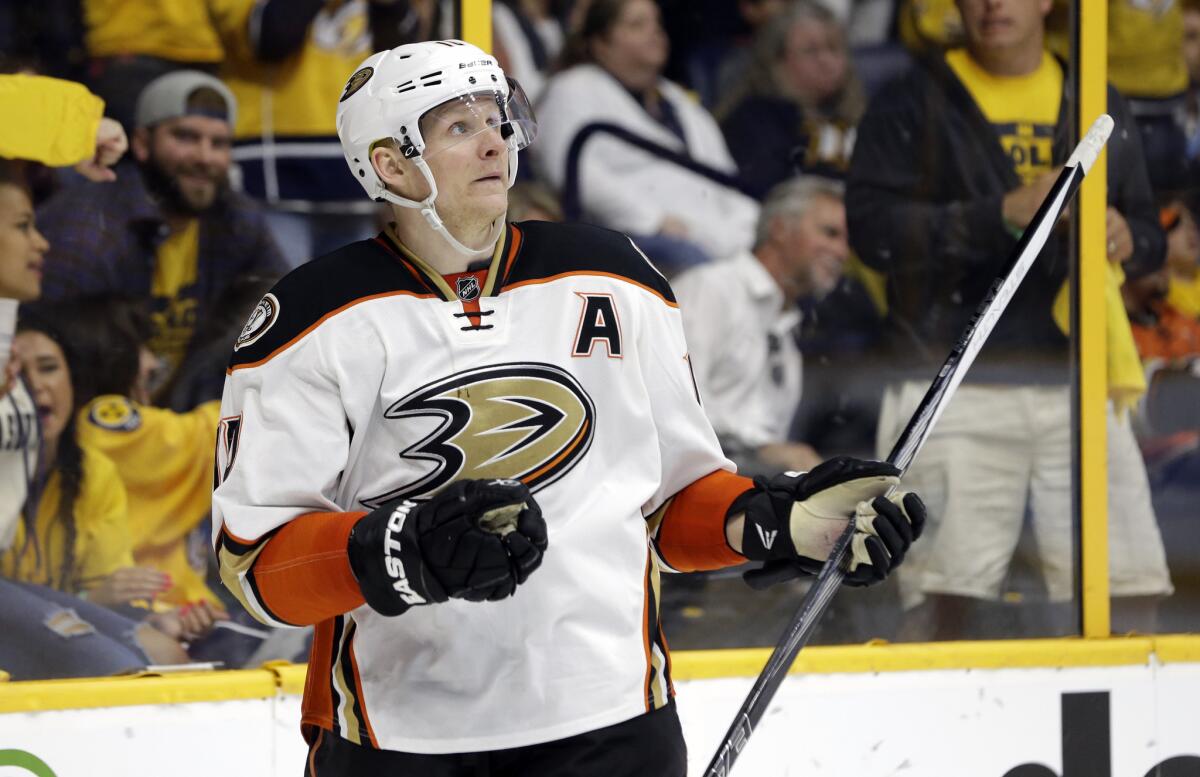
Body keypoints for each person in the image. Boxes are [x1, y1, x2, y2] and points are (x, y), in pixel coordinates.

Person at [213, 39, 925, 774]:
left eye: (497, 118)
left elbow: (671, 504)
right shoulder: (309, 316)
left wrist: (783, 521)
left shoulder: (615, 276)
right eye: (458, 127)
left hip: (613, 725)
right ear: (390, 164)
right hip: (405, 734)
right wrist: (404, 552)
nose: (494, 140)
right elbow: (257, 564)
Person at [848, 0, 1173, 639]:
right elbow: (874, 233)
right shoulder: (912, 97)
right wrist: (999, 212)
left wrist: (1125, 236)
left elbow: (1148, 232)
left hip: (1076, 378)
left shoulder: (1095, 93)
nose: (993, 5)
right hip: (955, 382)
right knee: (942, 595)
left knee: (1127, 588)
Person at [34, 70, 287, 409]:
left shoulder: (235, 217)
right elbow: (44, 344)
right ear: (141, 143)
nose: (204, 157)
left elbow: (287, 299)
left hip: (181, 419)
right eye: (185, 137)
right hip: (95, 420)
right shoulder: (88, 231)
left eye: (219, 143)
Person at [534, 0, 759, 271]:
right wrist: (653, 221)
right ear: (600, 43)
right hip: (634, 240)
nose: (655, 32)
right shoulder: (572, 88)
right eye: (637, 25)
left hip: (717, 240)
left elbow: (727, 178)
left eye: (656, 23)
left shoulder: (681, 102)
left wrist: (747, 232)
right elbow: (571, 171)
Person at [673, 176, 848, 475]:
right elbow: (677, 402)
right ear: (780, 228)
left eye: (846, 241)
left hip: (738, 493)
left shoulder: (787, 335)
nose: (842, 252)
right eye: (830, 233)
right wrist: (762, 451)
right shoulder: (712, 288)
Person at [717, 2, 867, 195]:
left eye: (834, 48)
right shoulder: (752, 122)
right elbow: (766, 192)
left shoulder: (863, 119)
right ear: (777, 62)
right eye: (811, 51)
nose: (826, 61)